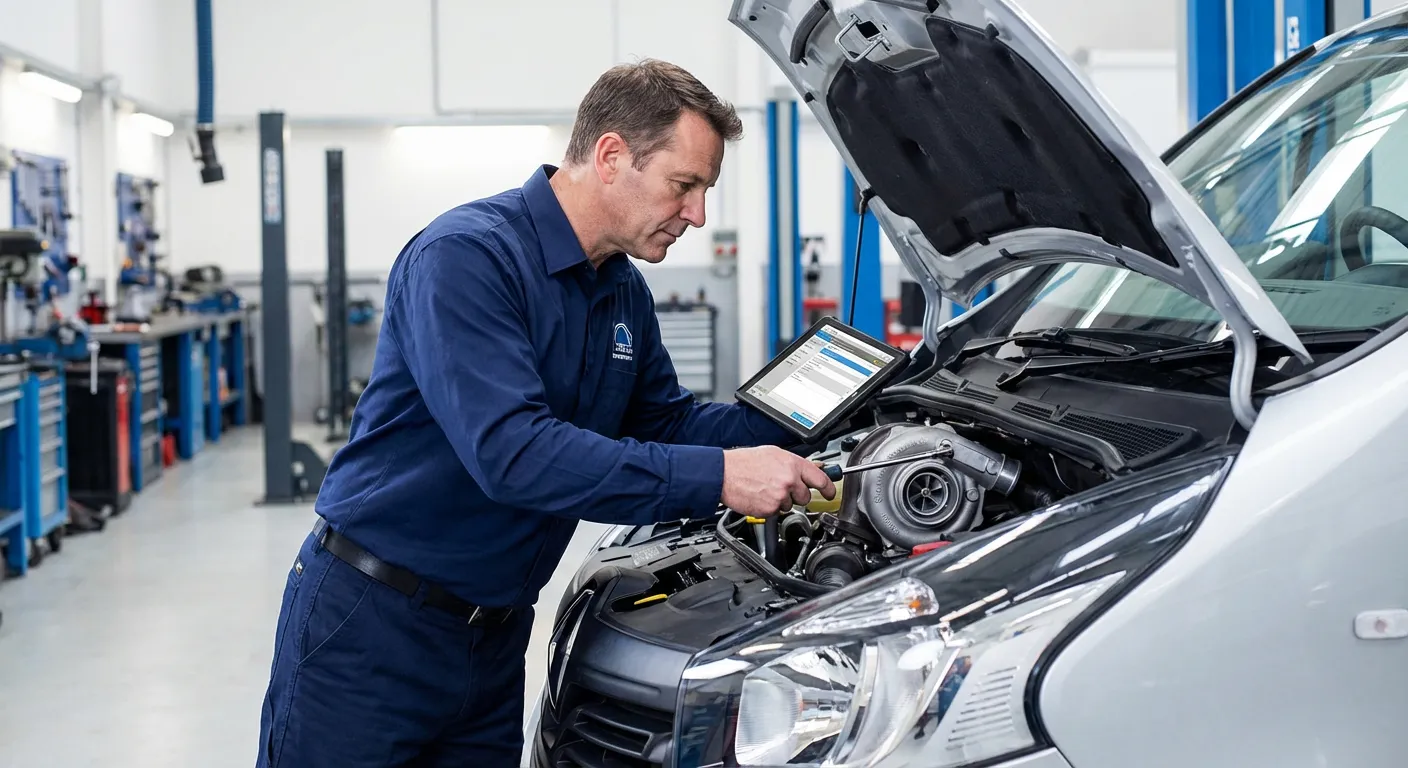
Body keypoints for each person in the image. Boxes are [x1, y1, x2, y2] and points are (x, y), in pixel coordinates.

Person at [255, 59, 836, 767]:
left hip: (493, 643)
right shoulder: (467, 258)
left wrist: (802, 415)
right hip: (373, 628)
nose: (697, 214)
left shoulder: (619, 290)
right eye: (684, 186)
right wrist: (720, 477)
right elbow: (515, 454)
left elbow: (668, 424)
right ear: (612, 156)